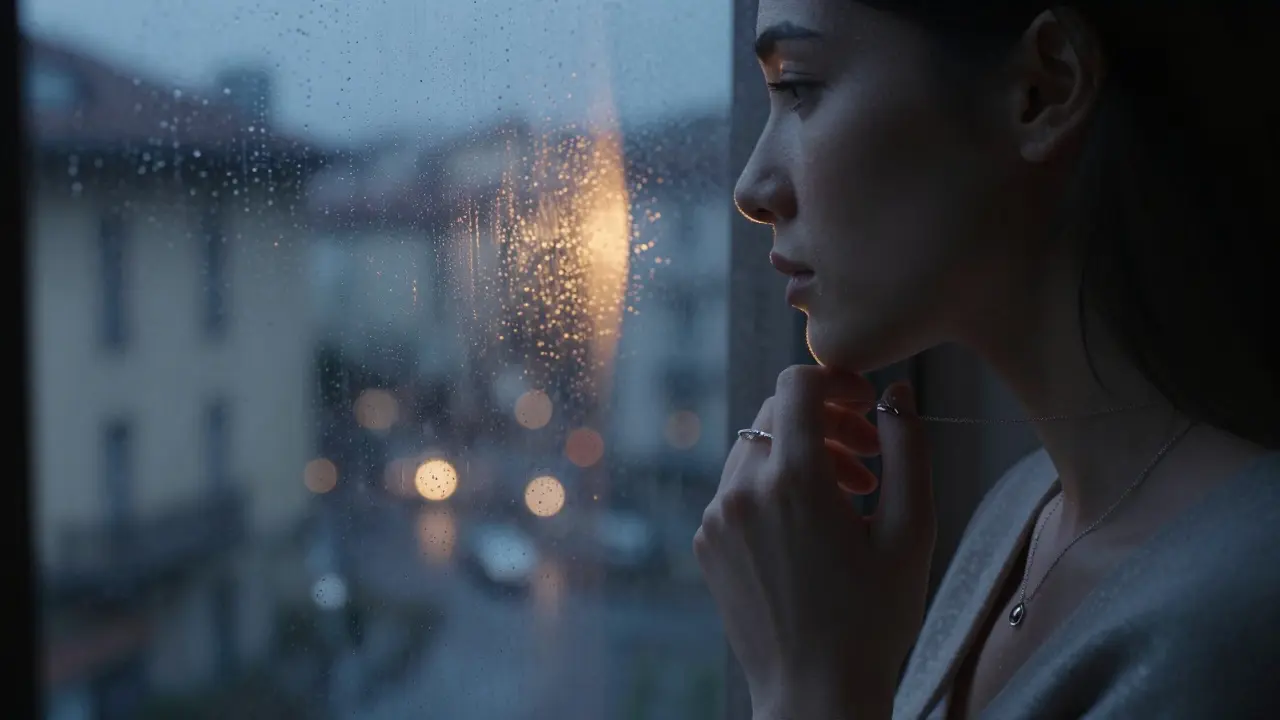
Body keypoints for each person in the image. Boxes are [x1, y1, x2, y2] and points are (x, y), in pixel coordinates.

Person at [693, 1, 1280, 718]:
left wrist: (808, 686)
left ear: (1043, 90)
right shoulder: (1016, 514)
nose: (752, 189)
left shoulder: (1240, 615)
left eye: (799, 88)